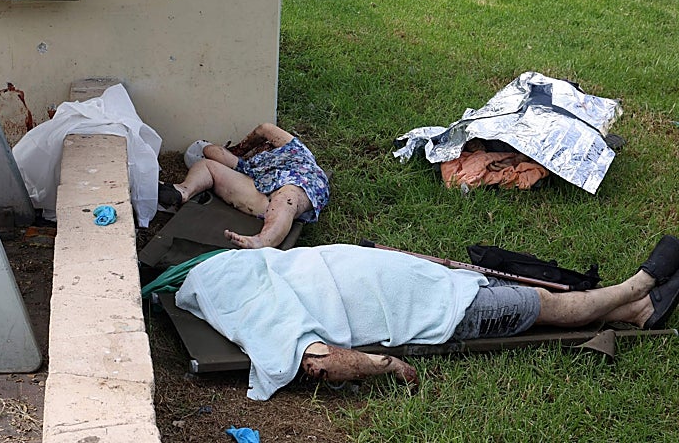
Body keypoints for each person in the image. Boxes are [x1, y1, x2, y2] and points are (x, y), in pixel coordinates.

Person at [176, 236, 679, 399]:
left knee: (518, 288)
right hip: (436, 311)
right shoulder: (249, 310)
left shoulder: (227, 272)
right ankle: (639, 287)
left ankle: (636, 310)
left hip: (415, 280)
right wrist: (387, 367)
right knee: (546, 308)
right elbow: (317, 362)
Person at [158, 123, 329, 250]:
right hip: (262, 193)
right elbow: (211, 152)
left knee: (285, 199)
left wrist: (241, 148)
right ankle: (183, 190)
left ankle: (262, 241)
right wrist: (235, 155)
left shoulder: (294, 150)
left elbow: (265, 128)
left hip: (300, 183)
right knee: (207, 165)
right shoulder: (247, 165)